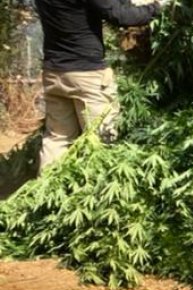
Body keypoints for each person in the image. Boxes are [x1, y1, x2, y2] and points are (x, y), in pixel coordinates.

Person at [33, 0, 170, 172]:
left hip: (54, 72)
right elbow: (120, 15)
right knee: (101, 138)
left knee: (57, 139)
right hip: (87, 75)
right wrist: (157, 6)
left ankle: (46, 192)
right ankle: (99, 193)